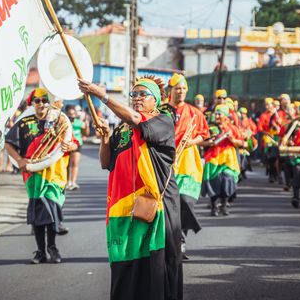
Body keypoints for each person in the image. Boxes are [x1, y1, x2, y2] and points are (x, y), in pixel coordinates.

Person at [78, 75, 182, 300]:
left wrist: (101, 95)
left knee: (157, 264)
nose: (136, 98)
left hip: (157, 206)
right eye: (133, 94)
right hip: (124, 208)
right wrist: (105, 138)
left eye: (142, 94)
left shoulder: (162, 121)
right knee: (125, 263)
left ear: (155, 100)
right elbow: (107, 163)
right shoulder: (123, 129)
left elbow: (137, 119)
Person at [4, 88, 78, 264]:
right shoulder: (24, 122)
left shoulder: (60, 121)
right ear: (32, 103)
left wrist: (71, 147)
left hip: (55, 174)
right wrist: (19, 159)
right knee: (38, 214)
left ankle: (52, 246)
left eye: (45, 100)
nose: (41, 104)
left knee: (51, 205)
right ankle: (40, 251)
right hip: (33, 175)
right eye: (37, 101)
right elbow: (8, 143)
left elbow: (74, 143)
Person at [166, 73, 209, 260]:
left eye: (184, 89)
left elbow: (204, 135)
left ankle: (181, 239)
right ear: (171, 90)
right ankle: (172, 242)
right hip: (166, 162)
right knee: (169, 206)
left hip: (188, 163)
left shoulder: (195, 113)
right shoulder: (161, 110)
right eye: (178, 88)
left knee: (185, 200)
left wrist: (191, 141)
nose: (181, 92)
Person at [202, 104, 244, 217]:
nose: (217, 116)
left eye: (220, 113)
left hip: (228, 160)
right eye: (216, 113)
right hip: (212, 159)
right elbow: (201, 142)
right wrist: (210, 142)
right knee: (213, 181)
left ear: (226, 116)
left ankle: (224, 205)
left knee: (227, 179)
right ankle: (214, 206)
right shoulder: (210, 128)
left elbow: (241, 143)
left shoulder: (233, 128)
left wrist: (232, 139)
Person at [65, 104, 90, 190]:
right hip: (67, 145)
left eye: (73, 114)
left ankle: (73, 182)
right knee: (67, 165)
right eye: (69, 114)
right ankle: (67, 182)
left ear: (75, 114)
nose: (71, 116)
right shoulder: (64, 122)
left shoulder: (78, 122)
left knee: (75, 163)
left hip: (77, 144)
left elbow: (86, 133)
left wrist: (87, 126)